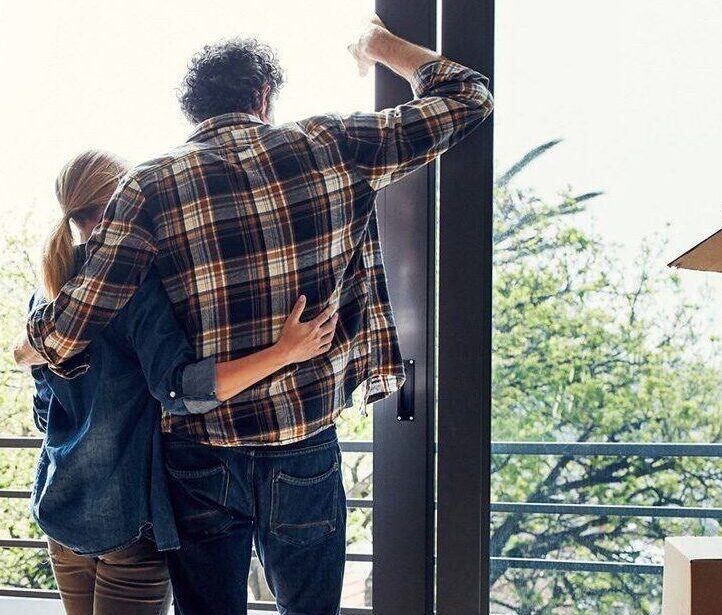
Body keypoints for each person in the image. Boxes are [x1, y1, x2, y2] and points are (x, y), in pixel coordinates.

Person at [19, 14, 493, 615]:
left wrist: (29, 341)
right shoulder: (332, 144)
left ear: (194, 110)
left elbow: (65, 333)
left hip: (199, 451)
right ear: (264, 96)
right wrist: (380, 46)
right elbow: (467, 96)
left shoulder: (148, 187)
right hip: (301, 439)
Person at [20, 151, 338, 615]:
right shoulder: (133, 287)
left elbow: (44, 412)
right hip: (128, 521)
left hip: (62, 510)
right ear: (121, 204)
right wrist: (283, 352)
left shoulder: (46, 292)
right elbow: (179, 390)